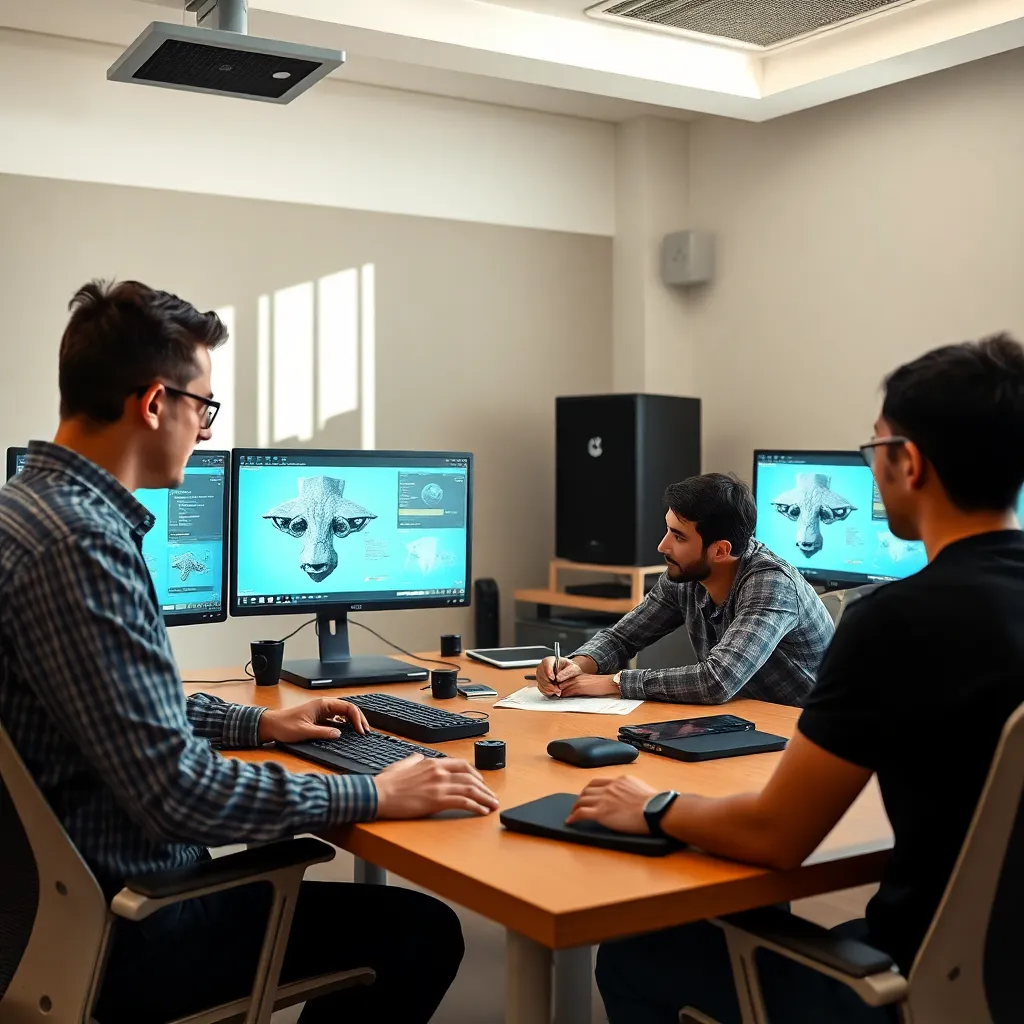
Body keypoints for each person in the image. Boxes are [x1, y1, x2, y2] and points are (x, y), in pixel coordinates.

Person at [0, 280, 499, 1023]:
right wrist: (376, 793)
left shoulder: (28, 513)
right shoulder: (82, 545)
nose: (205, 429)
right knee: (421, 934)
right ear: (154, 403)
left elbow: (113, 706)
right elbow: (178, 794)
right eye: (204, 406)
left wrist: (260, 725)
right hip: (133, 925)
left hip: (53, 907)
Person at [570, 335, 1024, 1024]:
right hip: (1004, 970)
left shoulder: (895, 622)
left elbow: (776, 835)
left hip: (913, 981)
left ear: (909, 462)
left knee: (633, 958)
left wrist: (652, 803)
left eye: (873, 451)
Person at [536, 473, 834, 706]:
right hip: (741, 721)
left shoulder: (772, 585)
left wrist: (612, 683)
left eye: (677, 536)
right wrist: (575, 667)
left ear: (720, 550)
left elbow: (716, 681)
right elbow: (621, 638)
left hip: (808, 738)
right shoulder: (686, 575)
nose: (662, 546)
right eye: (667, 530)